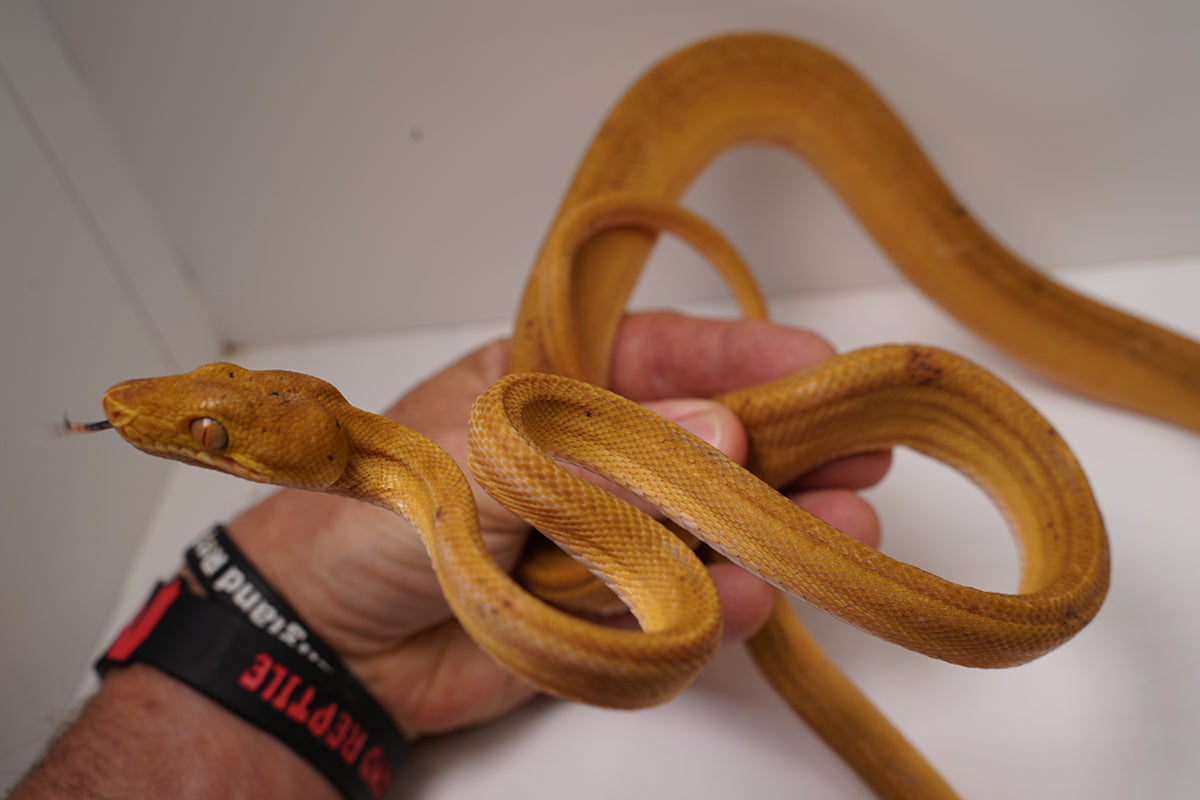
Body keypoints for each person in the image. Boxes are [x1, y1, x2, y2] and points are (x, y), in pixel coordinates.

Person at [10, 312, 888, 798]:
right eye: (216, 436)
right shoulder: (435, 492)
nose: (130, 413)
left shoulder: (473, 458)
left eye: (208, 433)